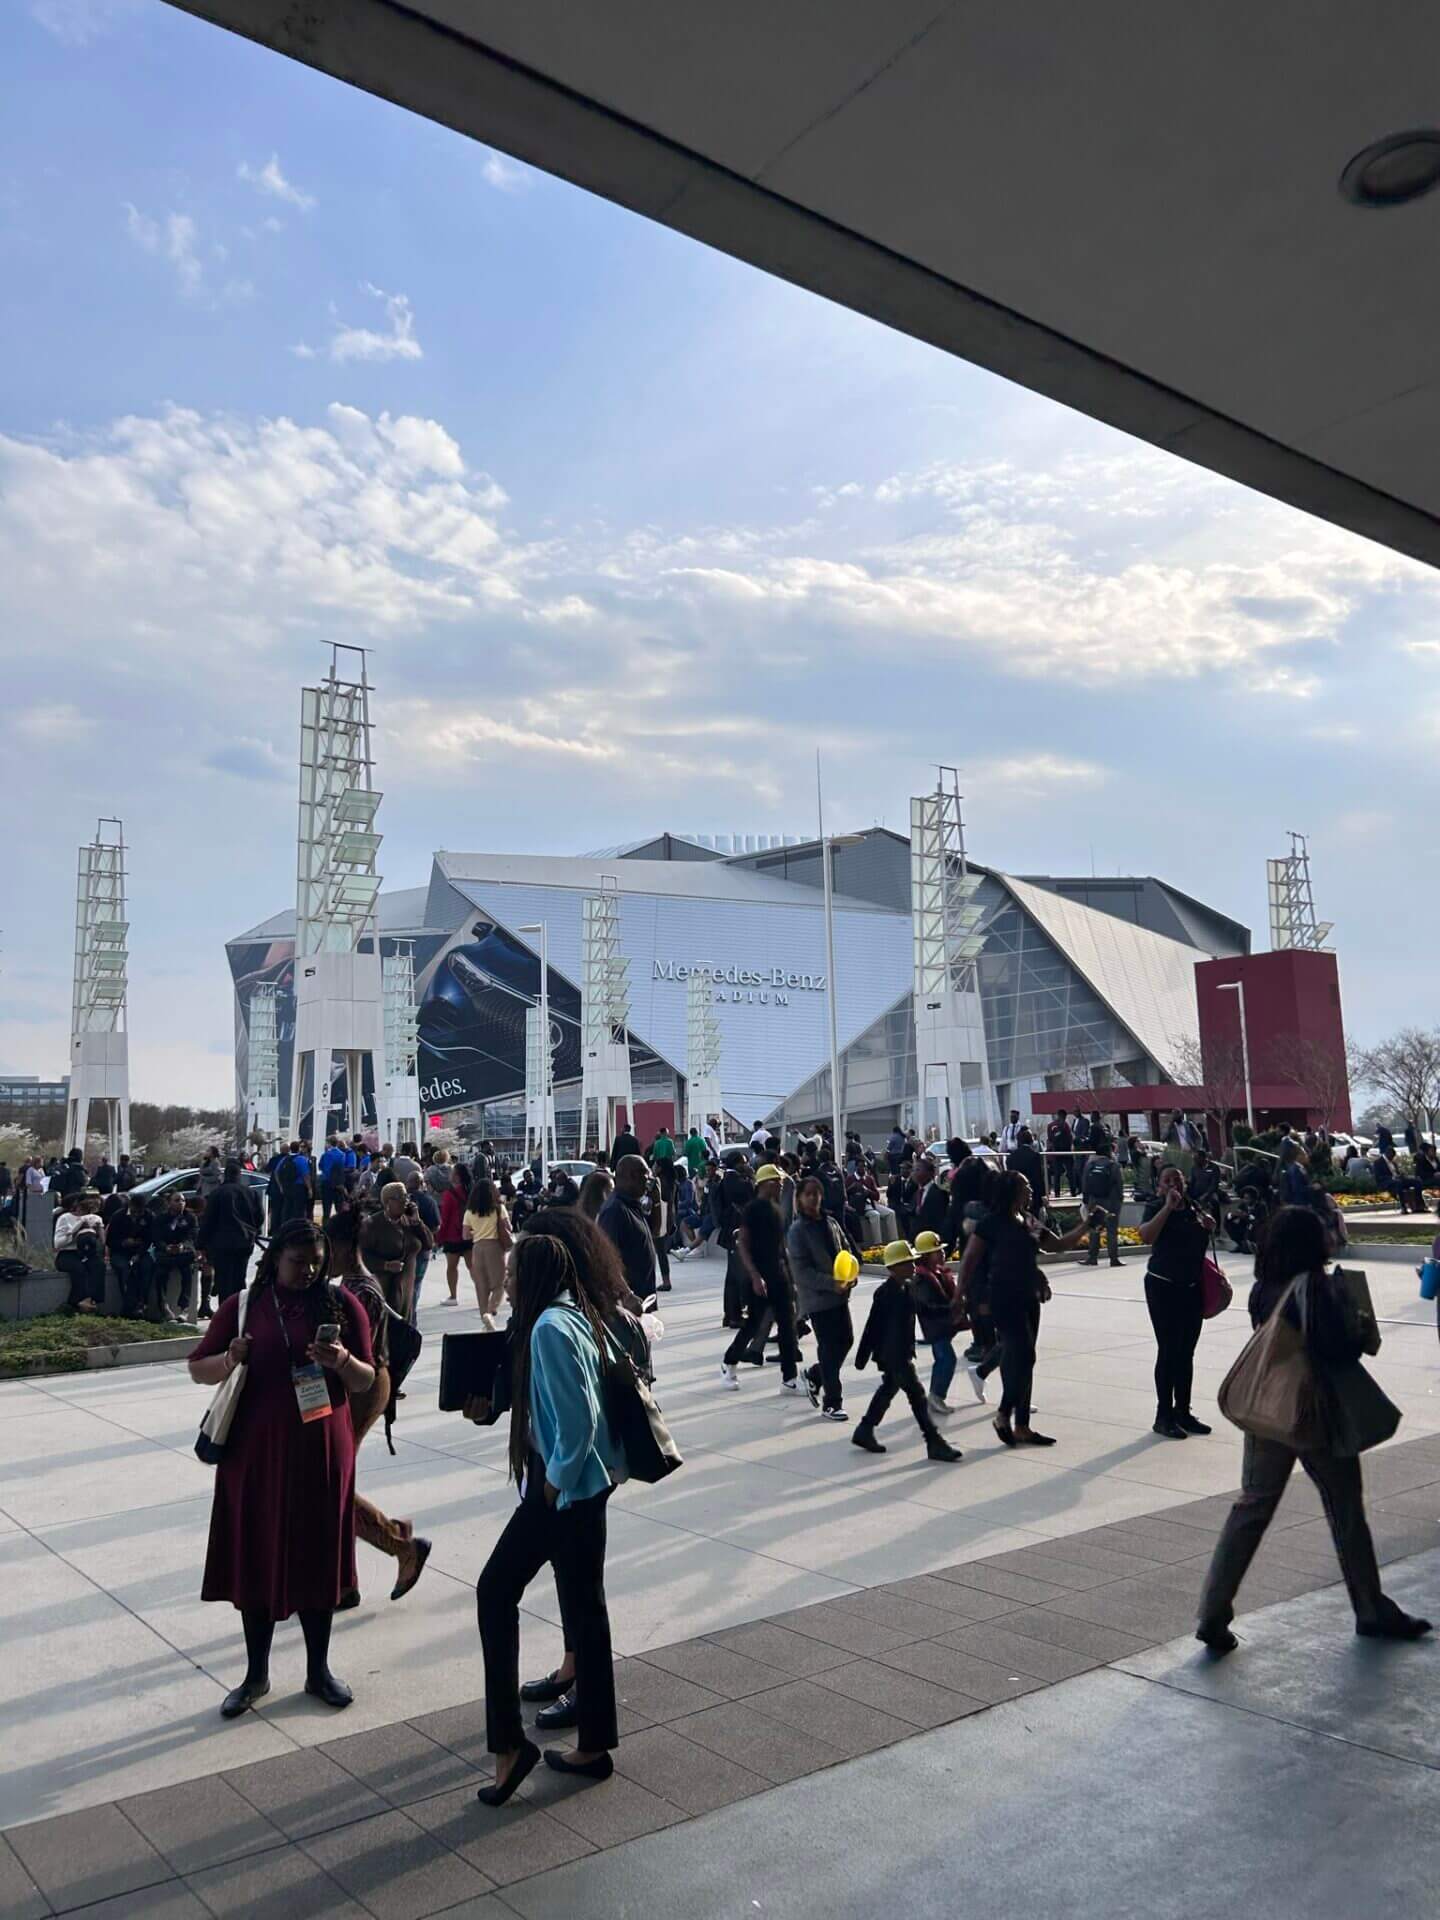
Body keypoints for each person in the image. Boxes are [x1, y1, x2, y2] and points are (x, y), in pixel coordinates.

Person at [1196, 1205, 1431, 1653]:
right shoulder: (1316, 1287)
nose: (1330, 1232)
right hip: (1316, 1414)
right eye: (1324, 1228)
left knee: (1251, 1508)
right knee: (1346, 1510)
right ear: (1311, 1241)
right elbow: (1335, 1349)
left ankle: (1213, 1611)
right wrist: (1359, 1327)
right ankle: (1370, 1608)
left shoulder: (1264, 1287)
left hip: (1269, 1411)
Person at [187, 1218, 375, 1717]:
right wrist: (230, 1358)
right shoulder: (244, 1307)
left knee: (318, 1555)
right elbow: (197, 1367)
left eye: (316, 1261)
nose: (309, 1270)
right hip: (254, 1455)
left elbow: (366, 1379)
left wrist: (340, 1361)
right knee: (257, 1555)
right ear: (274, 1260)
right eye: (298, 1262)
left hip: (321, 1449)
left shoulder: (341, 1304)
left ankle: (319, 1671)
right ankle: (256, 1675)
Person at [472, 1232, 625, 1804]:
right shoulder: (571, 1314)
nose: (505, 1284)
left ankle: (509, 1747)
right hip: (587, 1487)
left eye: (512, 1276)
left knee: (494, 1592)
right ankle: (594, 1744)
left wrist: (552, 1486)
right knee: (588, 1609)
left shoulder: (548, 1329)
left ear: (533, 1277)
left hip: (564, 1490)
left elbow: (579, 1422)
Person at [325, 1211, 430, 1607]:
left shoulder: (360, 1290)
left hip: (365, 1387)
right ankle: (347, 1580)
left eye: (325, 1249)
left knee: (332, 1487)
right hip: (360, 1386)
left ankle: (401, 1546)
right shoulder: (351, 1284)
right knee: (333, 1485)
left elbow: (359, 1355)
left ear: (341, 1247)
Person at [956, 1171, 1089, 1447]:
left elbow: (1057, 1246)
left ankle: (1022, 1426)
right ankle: (1004, 1415)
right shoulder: (990, 1223)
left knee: (1026, 1360)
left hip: (1029, 1297)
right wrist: (960, 1296)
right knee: (1023, 1354)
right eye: (1025, 1186)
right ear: (1011, 1191)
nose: (1030, 1190)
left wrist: (1088, 1225)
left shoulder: (1027, 1221)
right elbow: (969, 1261)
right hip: (1003, 1298)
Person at [851, 1242, 962, 1460]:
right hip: (893, 1355)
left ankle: (864, 1430)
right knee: (917, 1396)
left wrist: (950, 1309)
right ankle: (934, 1441)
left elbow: (924, 1309)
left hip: (902, 1351)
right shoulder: (885, 1293)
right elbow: (873, 1325)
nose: (913, 1265)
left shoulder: (908, 1287)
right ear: (894, 1267)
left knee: (889, 1388)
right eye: (907, 1262)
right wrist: (862, 1356)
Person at [1137, 1165, 1215, 1439]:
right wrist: (1168, 1208)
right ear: (1159, 1185)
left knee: (1186, 1352)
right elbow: (1146, 1236)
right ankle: (1163, 1415)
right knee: (1169, 1350)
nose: (1173, 1184)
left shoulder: (1195, 1209)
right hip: (1163, 1287)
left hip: (1191, 1288)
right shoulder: (1155, 1206)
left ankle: (1183, 1410)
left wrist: (1209, 1228)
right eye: (1167, 1180)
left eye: (1178, 1179)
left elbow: (1197, 1246)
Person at [721, 1164, 801, 1392]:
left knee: (787, 1326)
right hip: (760, 1276)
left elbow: (780, 1245)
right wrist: (755, 1276)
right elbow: (742, 1243)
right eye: (777, 1181)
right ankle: (729, 1362)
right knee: (753, 1325)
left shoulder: (777, 1209)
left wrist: (790, 1274)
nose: (781, 1185)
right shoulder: (753, 1209)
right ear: (765, 1183)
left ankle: (789, 1378)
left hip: (779, 1274)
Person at [788, 1174, 854, 1421]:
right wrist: (830, 1283)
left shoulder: (830, 1222)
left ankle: (815, 1375)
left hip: (839, 1294)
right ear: (800, 1198)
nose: (814, 1198)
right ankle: (832, 1403)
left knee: (846, 1340)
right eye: (809, 1194)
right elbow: (801, 1272)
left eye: (817, 1193)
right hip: (817, 1299)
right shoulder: (797, 1231)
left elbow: (845, 1250)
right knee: (828, 1347)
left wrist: (851, 1274)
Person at [360, 1181, 432, 1321]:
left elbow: (429, 1244)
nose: (405, 1201)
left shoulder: (409, 1221)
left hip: (408, 1288)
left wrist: (417, 1223)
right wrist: (385, 1265)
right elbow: (362, 1256)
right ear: (388, 1202)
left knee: (408, 1327)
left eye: (407, 1197)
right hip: (385, 1288)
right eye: (401, 1198)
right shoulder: (372, 1225)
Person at [197, 1161, 262, 1311]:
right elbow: (260, 1217)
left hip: (222, 1244)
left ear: (224, 1176)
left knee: (224, 1281)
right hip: (244, 1242)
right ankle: (240, 1313)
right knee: (240, 1279)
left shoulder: (217, 1194)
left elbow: (208, 1221)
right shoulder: (251, 1193)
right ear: (240, 1175)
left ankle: (225, 1313)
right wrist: (253, 1231)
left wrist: (201, 1244)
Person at [913, 1229, 962, 1417]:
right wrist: (951, 1308)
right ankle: (936, 1396)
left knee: (943, 1359)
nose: (942, 1253)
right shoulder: (922, 1279)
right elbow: (926, 1306)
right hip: (935, 1327)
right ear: (925, 1256)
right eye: (937, 1251)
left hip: (942, 1325)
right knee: (946, 1359)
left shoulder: (937, 1273)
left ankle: (935, 1395)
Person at [597, 1156, 658, 1305]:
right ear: (633, 1176)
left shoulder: (632, 1205)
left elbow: (656, 1231)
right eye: (646, 1176)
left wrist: (656, 1200)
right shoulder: (615, 1210)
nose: (648, 1181)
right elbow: (607, 1259)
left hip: (641, 1300)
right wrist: (627, 1295)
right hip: (627, 1304)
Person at [466, 1177, 513, 1329]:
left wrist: (478, 1232)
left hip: (477, 1248)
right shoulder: (498, 1208)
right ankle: (491, 1312)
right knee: (499, 1284)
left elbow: (465, 1235)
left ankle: (484, 1317)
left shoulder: (470, 1211)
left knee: (481, 1286)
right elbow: (509, 1227)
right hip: (494, 1247)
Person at [150, 1189, 198, 1320]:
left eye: (183, 1200)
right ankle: (163, 1306)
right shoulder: (161, 1219)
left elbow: (192, 1236)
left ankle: (184, 1308)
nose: (181, 1203)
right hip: (166, 1253)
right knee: (161, 1273)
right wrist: (166, 1247)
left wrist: (183, 1246)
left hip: (183, 1253)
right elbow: (156, 1238)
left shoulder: (190, 1217)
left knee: (187, 1272)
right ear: (169, 1203)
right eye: (177, 1201)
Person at [55, 1195, 107, 1313]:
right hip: (68, 1253)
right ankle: (76, 1302)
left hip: (88, 1252)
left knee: (98, 1266)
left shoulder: (94, 1218)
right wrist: (75, 1234)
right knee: (79, 1269)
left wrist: (98, 1231)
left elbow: (102, 1242)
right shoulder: (65, 1218)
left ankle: (93, 1300)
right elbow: (58, 1243)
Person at [1081, 1138, 1124, 1267]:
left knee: (1095, 1229)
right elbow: (1119, 1184)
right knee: (1112, 1230)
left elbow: (1084, 1183)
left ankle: (1092, 1257)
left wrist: (1087, 1199)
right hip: (1111, 1201)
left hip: (1094, 1201)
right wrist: (1119, 1199)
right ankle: (1113, 1259)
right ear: (1109, 1152)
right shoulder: (1114, 1165)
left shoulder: (1090, 1165)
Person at [435, 1162, 472, 1304]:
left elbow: (445, 1218)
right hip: (468, 1232)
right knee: (472, 1267)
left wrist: (439, 1237)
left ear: (456, 1176)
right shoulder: (470, 1191)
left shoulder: (449, 1194)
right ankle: (483, 1291)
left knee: (451, 1267)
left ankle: (453, 1296)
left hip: (453, 1234)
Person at [405, 1171, 440, 1318]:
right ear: (421, 1183)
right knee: (416, 1284)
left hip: (404, 1248)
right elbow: (437, 1226)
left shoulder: (403, 1201)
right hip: (423, 1249)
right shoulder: (429, 1201)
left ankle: (406, 1312)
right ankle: (411, 1313)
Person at [1046, 1111, 1076, 1197]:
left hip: (1065, 1152)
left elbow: (1070, 1137)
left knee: (1069, 1173)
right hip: (1058, 1152)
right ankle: (1057, 1193)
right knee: (1058, 1173)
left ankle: (1072, 1191)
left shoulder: (1066, 1125)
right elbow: (1051, 1138)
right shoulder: (1052, 1125)